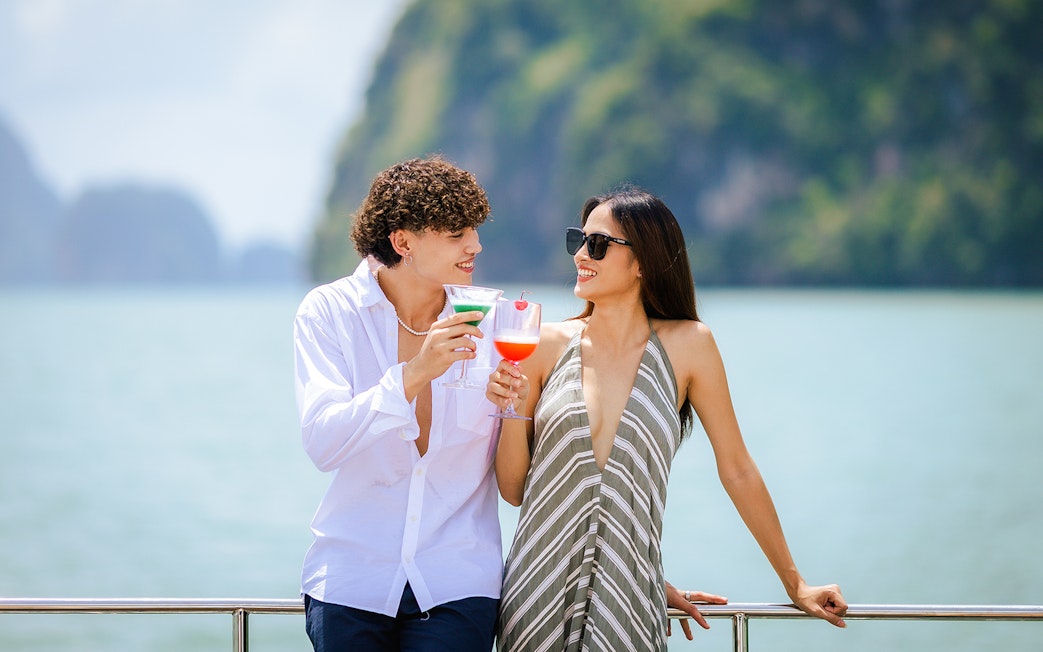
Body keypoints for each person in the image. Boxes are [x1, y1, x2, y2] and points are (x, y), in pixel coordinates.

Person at [488, 187, 848, 651]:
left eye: (597, 244)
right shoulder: (541, 344)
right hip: (536, 590)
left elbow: (737, 468)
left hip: (632, 595)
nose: (580, 254)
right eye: (577, 240)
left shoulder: (690, 345)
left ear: (643, 261)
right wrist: (511, 406)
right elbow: (514, 491)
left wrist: (794, 584)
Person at [294, 156, 503, 651]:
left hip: (459, 578)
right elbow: (322, 442)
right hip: (352, 577)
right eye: (455, 232)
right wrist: (414, 374)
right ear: (403, 242)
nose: (475, 245)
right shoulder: (328, 312)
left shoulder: (496, 323)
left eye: (473, 229)